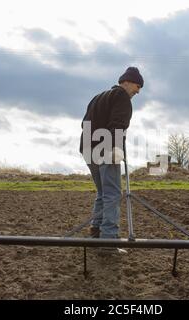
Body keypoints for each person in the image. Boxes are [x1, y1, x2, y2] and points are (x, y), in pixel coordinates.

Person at [79, 66, 144, 244]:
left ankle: (96, 229)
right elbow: (117, 123)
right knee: (113, 194)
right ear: (127, 82)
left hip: (87, 149)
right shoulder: (122, 97)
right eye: (138, 86)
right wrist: (115, 148)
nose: (138, 91)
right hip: (106, 148)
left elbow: (84, 123)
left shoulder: (97, 97)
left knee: (103, 192)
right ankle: (109, 238)